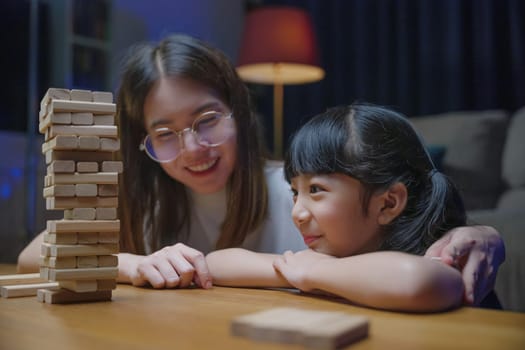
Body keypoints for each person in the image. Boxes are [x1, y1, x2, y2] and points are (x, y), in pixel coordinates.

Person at [17, 34, 504, 306]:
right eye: (165, 133)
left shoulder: (295, 192)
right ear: (143, 140)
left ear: (238, 114)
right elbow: (34, 255)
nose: (192, 149)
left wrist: (484, 232)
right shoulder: (152, 198)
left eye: (206, 121)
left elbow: (423, 249)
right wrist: (135, 263)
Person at [205, 103, 492, 312]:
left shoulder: (443, 253)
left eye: (316, 189)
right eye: (295, 191)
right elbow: (216, 263)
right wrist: (302, 270)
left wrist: (315, 272)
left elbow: (418, 280)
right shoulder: (330, 259)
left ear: (388, 203)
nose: (297, 213)